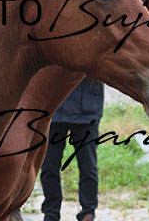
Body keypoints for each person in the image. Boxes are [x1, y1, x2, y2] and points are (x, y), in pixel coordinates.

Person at [40, 77, 104, 221]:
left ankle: (88, 212)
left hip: (87, 111)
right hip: (55, 109)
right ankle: (51, 214)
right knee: (49, 167)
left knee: (88, 167)